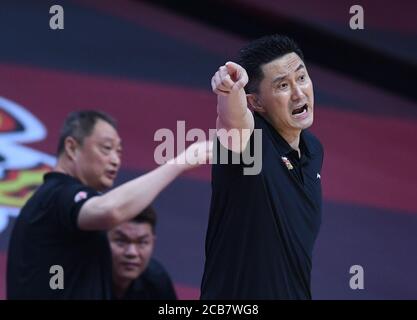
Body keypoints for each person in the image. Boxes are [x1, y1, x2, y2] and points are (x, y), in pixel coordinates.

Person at [7, 110, 211, 299]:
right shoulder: (57, 195)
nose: (115, 160)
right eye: (106, 148)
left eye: (119, 152)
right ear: (71, 147)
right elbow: (110, 211)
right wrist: (181, 162)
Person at [201, 34, 324, 299]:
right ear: (255, 102)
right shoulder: (250, 145)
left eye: (301, 78)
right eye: (282, 85)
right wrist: (229, 92)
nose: (299, 93)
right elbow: (234, 120)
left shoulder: (313, 150)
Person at [108, 206, 177, 300]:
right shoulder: (84, 277)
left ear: (153, 242)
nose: (132, 253)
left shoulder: (157, 280)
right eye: (121, 241)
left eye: (142, 242)